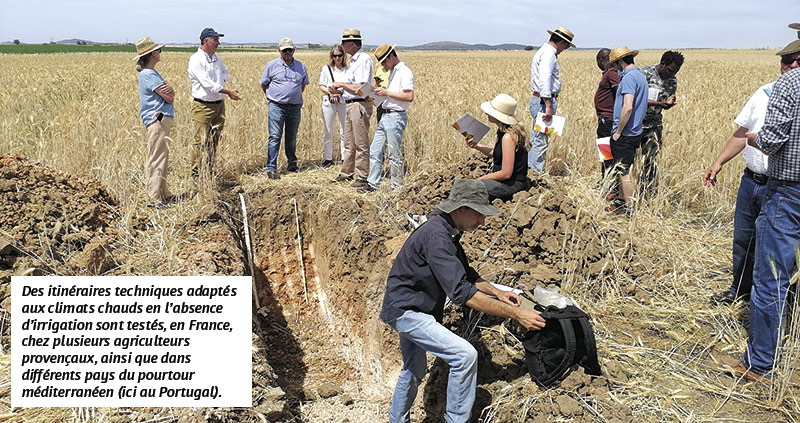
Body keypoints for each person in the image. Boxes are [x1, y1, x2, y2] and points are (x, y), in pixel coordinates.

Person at [380, 179, 546, 423]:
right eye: (478, 214)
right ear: (460, 209)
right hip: (407, 311)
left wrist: (497, 293)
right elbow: (461, 292)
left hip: (413, 307)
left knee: (414, 369)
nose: (482, 221)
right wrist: (516, 314)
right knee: (464, 356)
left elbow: (466, 274)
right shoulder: (437, 236)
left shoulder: (448, 230)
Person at [721, 51, 800, 384]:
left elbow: (770, 140)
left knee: (771, 277)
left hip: (789, 192)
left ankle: (760, 364)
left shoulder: (791, 83)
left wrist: (753, 137)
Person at [702, 41, 800, 306]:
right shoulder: (764, 92)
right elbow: (743, 133)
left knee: (780, 250)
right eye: (785, 61)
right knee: (744, 240)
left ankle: (778, 302)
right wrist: (718, 162)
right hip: (751, 181)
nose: (790, 66)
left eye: (795, 61)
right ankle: (740, 291)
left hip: (781, 187)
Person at [187, 28, 241, 178]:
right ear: (206, 41)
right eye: (215, 40)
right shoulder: (196, 59)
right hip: (203, 106)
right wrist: (228, 91)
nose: (218, 43)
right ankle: (195, 174)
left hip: (218, 104)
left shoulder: (216, 57)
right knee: (201, 141)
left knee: (214, 140)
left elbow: (225, 71)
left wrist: (222, 83)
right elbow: (207, 84)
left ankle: (209, 170)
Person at [364, 44, 414, 193]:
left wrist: (386, 92)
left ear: (391, 56)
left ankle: (396, 186)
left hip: (395, 116)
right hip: (385, 114)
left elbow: (409, 96)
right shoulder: (392, 71)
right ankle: (372, 183)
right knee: (375, 150)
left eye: (384, 62)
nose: (384, 66)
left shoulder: (404, 72)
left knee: (394, 153)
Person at [465, 94, 530, 201]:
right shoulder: (504, 131)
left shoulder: (508, 137)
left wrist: (480, 179)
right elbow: (497, 153)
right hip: (504, 182)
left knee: (467, 189)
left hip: (510, 185)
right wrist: (476, 146)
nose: (486, 113)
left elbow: (506, 173)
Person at [260, 38, 309, 180]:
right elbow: (264, 85)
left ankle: (292, 164)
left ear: (294, 51)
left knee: (291, 137)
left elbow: (302, 86)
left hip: (294, 107)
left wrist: (292, 96)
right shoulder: (271, 65)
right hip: (276, 106)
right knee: (274, 137)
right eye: (284, 50)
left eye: (290, 50)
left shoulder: (301, 66)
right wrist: (273, 98)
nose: (287, 52)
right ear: (279, 51)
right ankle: (271, 168)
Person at [331, 28, 374, 190]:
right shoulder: (354, 61)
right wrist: (338, 90)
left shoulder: (363, 60)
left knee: (360, 142)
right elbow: (351, 86)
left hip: (359, 104)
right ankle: (347, 172)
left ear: (351, 44)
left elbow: (361, 86)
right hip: (350, 104)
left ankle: (362, 176)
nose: (342, 46)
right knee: (349, 142)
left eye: (343, 42)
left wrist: (341, 85)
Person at [607, 46, 648, 215]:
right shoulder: (640, 75)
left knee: (624, 172)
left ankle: (629, 208)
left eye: (615, 64)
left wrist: (618, 132)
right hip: (636, 131)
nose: (615, 68)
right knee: (626, 168)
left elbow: (628, 107)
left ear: (621, 61)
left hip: (626, 133)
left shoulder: (629, 78)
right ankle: (622, 203)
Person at [528, 26, 575, 172]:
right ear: (561, 42)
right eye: (566, 46)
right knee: (540, 141)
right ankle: (535, 174)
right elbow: (545, 79)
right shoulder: (549, 53)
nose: (565, 49)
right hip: (543, 102)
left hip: (541, 100)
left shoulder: (544, 51)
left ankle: (531, 170)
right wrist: (548, 104)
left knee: (537, 138)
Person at [135, 37, 175, 208]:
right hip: (158, 117)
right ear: (152, 54)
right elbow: (169, 97)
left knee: (161, 154)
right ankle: (154, 197)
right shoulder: (149, 74)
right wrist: (171, 91)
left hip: (159, 116)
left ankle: (162, 192)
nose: (160, 53)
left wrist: (170, 91)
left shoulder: (150, 73)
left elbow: (169, 94)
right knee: (157, 156)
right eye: (159, 50)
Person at [639, 51, 684, 199]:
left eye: (675, 72)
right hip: (636, 124)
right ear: (663, 63)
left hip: (654, 125)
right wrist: (660, 103)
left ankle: (647, 193)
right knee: (629, 160)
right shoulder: (644, 74)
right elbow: (635, 99)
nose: (671, 74)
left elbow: (666, 99)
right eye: (670, 70)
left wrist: (668, 103)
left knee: (652, 161)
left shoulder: (672, 81)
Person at [318, 45, 348, 167]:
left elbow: (350, 86)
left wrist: (339, 92)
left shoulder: (348, 69)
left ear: (343, 56)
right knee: (328, 130)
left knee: (345, 130)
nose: (337, 58)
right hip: (329, 101)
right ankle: (328, 158)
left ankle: (344, 157)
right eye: (334, 56)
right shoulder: (326, 69)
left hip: (343, 101)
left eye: (339, 55)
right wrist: (331, 92)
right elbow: (321, 85)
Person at [594, 48, 621, 183]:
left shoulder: (611, 73)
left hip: (607, 120)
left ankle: (607, 181)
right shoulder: (611, 73)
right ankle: (606, 180)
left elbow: (618, 92)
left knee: (606, 153)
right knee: (605, 152)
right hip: (606, 118)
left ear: (600, 60)